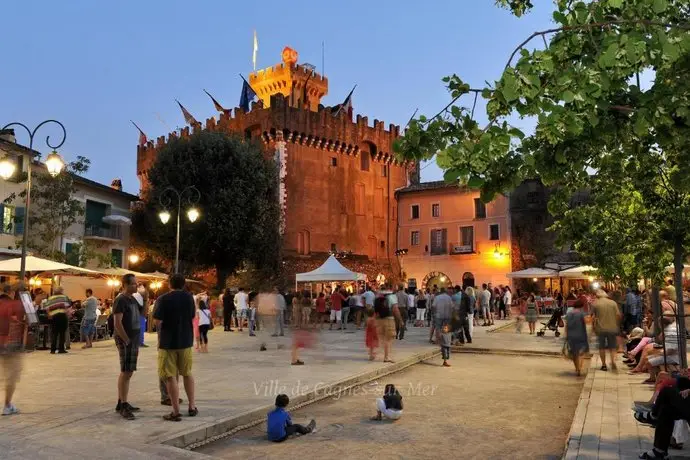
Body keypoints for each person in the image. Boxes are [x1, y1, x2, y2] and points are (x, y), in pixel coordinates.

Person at [153, 273, 198, 422]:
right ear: (184, 284)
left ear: (169, 284)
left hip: (168, 342)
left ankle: (176, 411)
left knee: (170, 376)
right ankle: (192, 406)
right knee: (187, 373)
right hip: (185, 341)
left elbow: (157, 320)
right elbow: (192, 316)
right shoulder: (189, 298)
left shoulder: (163, 299)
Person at [113, 274, 142, 420]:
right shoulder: (120, 300)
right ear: (126, 284)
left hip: (133, 339)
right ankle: (123, 405)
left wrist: (147, 295)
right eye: (135, 284)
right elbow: (117, 322)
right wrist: (126, 340)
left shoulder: (132, 299)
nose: (137, 286)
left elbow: (143, 314)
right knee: (126, 370)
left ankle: (121, 401)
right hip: (126, 340)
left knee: (129, 371)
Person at [0, 284, 25, 415]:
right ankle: (7, 405)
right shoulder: (16, 305)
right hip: (10, 343)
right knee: (12, 376)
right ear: (11, 292)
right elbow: (24, 321)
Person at [591, 289, 621, 372]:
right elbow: (618, 315)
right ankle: (612, 361)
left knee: (602, 347)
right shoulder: (613, 303)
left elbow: (593, 317)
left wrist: (593, 327)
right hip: (612, 328)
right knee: (612, 347)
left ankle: (604, 365)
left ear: (597, 296)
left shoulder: (596, 304)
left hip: (600, 329)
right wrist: (616, 323)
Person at [565, 299, 589, 376]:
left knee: (574, 353)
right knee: (582, 353)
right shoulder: (581, 313)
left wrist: (566, 335)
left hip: (571, 335)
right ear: (581, 306)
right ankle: (580, 368)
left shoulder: (568, 313)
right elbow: (586, 321)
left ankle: (577, 368)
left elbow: (566, 325)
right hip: (580, 335)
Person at [45, 287, 71, 354]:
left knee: (54, 333)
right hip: (62, 316)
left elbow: (47, 308)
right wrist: (68, 314)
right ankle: (61, 349)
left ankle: (52, 350)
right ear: (61, 291)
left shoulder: (50, 298)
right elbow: (66, 307)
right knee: (62, 333)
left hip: (54, 316)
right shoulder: (64, 297)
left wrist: (49, 315)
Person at [374, 295, 395, 363]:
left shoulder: (377, 308)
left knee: (383, 340)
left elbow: (376, 316)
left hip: (379, 322)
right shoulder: (386, 309)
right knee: (388, 340)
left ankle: (379, 354)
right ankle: (386, 357)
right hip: (387, 322)